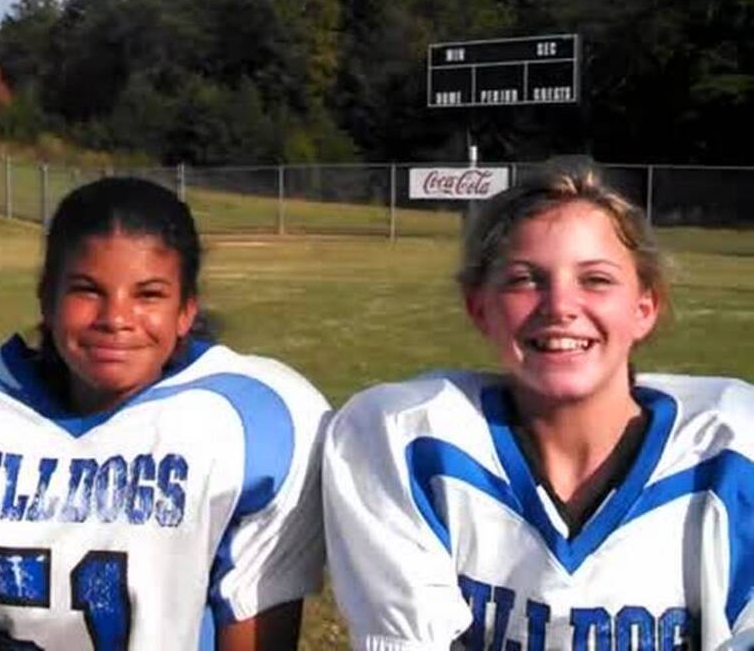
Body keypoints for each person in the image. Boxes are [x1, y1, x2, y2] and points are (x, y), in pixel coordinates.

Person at [321, 169, 754, 649]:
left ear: (644, 308)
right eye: (525, 279)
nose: (560, 306)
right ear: (479, 308)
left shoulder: (732, 449)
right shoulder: (404, 440)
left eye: (596, 279)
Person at [0, 176, 330, 650]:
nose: (115, 319)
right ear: (47, 298)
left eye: (148, 295)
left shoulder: (254, 423)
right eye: (87, 290)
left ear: (186, 310)